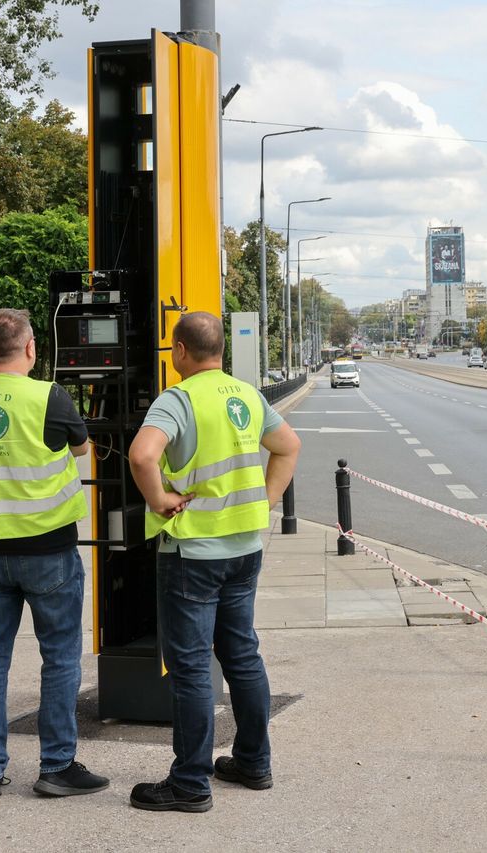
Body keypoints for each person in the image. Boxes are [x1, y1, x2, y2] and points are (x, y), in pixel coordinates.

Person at [126, 311, 301, 813]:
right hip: (245, 550)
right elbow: (289, 446)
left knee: (191, 668)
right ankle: (252, 761)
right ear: (221, 349)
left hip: (193, 553)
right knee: (242, 654)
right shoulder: (247, 394)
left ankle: (189, 782)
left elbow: (141, 456)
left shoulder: (178, 399)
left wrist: (159, 500)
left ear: (180, 350)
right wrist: (264, 500)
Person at [0, 308, 108, 799]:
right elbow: (81, 449)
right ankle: (56, 766)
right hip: (47, 552)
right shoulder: (49, 397)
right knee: (59, 658)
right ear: (32, 349)